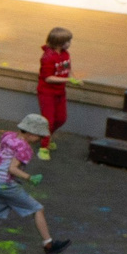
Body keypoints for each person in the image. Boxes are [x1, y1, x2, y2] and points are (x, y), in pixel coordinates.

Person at [0, 115, 70, 254]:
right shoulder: (24, 148)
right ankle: (49, 245)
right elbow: (12, 169)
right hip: (7, 185)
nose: (40, 140)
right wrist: (30, 177)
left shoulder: (8, 136)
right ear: (30, 133)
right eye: (39, 136)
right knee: (37, 209)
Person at [35, 27, 73, 157]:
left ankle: (45, 135)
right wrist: (68, 80)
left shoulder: (65, 54)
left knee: (61, 119)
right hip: (47, 93)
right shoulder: (47, 57)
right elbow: (48, 78)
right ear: (58, 42)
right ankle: (44, 147)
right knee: (48, 121)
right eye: (67, 41)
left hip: (60, 92)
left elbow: (68, 67)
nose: (69, 43)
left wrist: (72, 77)